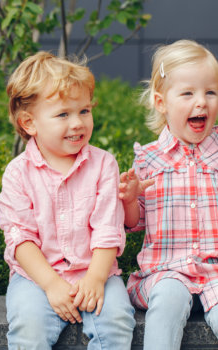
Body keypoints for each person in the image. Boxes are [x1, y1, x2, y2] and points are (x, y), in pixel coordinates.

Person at [0, 51, 135, 350]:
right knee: (29, 325)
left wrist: (97, 278)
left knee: (116, 321)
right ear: (30, 123)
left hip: (95, 270)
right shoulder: (18, 174)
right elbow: (20, 239)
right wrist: (51, 285)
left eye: (84, 111)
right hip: (36, 277)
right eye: (63, 114)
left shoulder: (103, 165)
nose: (78, 123)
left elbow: (108, 229)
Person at [119, 39, 218, 350]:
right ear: (161, 102)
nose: (201, 102)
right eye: (188, 93)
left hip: (215, 275)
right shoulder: (149, 159)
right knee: (169, 300)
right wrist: (129, 200)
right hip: (166, 271)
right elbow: (134, 222)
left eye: (210, 92)